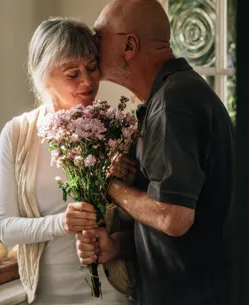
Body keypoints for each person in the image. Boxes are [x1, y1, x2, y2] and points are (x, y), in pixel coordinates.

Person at [68, 1, 234, 305]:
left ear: (129, 45)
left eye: (99, 37)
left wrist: (112, 187)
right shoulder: (170, 97)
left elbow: (173, 218)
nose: (92, 46)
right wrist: (117, 246)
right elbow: (173, 226)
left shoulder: (173, 104)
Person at [0, 17, 131, 305]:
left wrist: (123, 183)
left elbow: (140, 224)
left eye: (92, 68)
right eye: (72, 74)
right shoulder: (18, 135)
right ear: (44, 78)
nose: (88, 81)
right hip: (49, 296)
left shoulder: (115, 131)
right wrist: (61, 223)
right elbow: (6, 228)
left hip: (113, 294)